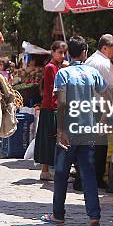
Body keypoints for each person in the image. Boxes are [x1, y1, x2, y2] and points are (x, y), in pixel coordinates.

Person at [40, 36, 107, 226]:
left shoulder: (63, 74)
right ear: (85, 52)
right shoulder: (93, 73)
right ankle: (94, 218)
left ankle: (57, 215)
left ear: (69, 52)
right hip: (87, 131)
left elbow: (61, 105)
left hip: (68, 131)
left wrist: (60, 130)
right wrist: (101, 122)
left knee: (61, 174)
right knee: (88, 175)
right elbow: (108, 97)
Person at [84, 34, 113, 189]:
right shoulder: (103, 63)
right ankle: (96, 179)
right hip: (99, 107)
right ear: (105, 48)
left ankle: (87, 177)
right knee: (100, 145)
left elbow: (102, 75)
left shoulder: (93, 59)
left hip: (89, 105)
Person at [34, 40, 67, 182]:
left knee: (51, 139)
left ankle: (47, 170)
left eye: (64, 53)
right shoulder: (50, 67)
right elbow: (56, 89)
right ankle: (45, 170)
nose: (62, 55)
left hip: (53, 107)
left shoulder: (56, 67)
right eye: (60, 52)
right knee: (50, 139)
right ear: (53, 52)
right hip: (50, 107)